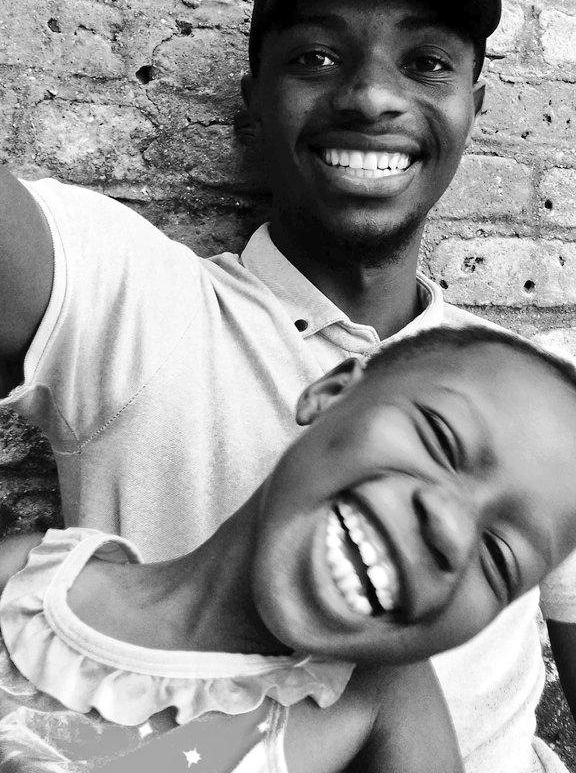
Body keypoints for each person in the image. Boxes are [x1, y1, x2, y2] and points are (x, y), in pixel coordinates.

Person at [0, 0, 573, 772]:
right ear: (254, 100)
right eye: (315, 56)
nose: (372, 95)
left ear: (474, 107)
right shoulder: (143, 302)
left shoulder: (542, 414)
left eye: (427, 63)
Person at [2, 325, 576, 773]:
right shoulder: (32, 584)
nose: (450, 529)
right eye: (441, 439)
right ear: (330, 395)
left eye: (499, 557)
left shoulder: (377, 703)